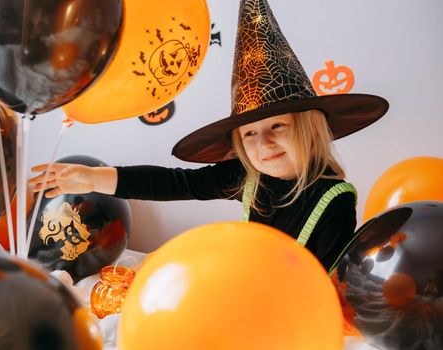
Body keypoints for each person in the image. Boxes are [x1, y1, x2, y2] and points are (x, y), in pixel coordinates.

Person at [29, 0, 389, 273]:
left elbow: (319, 279)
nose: (264, 144)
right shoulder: (248, 177)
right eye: (250, 134)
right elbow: (174, 183)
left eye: (278, 126)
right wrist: (93, 177)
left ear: (309, 128)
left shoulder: (334, 200)